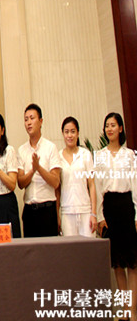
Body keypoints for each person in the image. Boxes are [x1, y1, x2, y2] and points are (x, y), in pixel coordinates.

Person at [95, 112, 137, 318]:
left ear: (120, 128)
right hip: (109, 208)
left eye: (113, 125)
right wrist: (100, 216)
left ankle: (133, 311)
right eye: (107, 126)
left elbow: (135, 185)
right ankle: (124, 311)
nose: (109, 129)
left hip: (127, 206)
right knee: (117, 264)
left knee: (132, 263)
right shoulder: (100, 156)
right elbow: (98, 186)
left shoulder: (130, 155)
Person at [17, 103, 61, 237]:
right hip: (29, 211)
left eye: (32, 118)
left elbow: (56, 182)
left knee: (50, 249)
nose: (29, 123)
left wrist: (39, 168)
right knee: (30, 249)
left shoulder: (51, 147)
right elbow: (20, 183)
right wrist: (32, 170)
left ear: (41, 121)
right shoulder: (22, 150)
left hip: (47, 210)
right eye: (26, 119)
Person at [59, 116, 96, 237]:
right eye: (66, 132)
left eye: (73, 131)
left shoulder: (85, 154)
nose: (70, 135)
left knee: (89, 247)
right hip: (67, 212)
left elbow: (92, 185)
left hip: (85, 211)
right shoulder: (58, 156)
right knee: (70, 247)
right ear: (63, 134)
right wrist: (57, 215)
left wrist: (93, 214)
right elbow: (57, 189)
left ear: (78, 133)